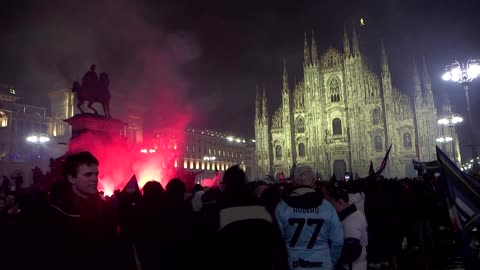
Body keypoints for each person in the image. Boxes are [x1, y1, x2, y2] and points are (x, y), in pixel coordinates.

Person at [28, 151, 122, 270]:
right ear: (71, 178)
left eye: (96, 174)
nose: (94, 179)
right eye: (88, 175)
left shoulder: (104, 210)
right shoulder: (51, 214)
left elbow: (114, 251)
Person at [275, 166, 344, 270]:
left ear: (294, 182)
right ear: (313, 182)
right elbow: (338, 242)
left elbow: (276, 242)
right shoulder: (327, 207)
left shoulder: (282, 207)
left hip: (293, 264)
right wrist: (331, 262)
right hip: (322, 264)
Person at [327, 186, 368, 270]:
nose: (330, 209)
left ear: (340, 202)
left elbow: (352, 251)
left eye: (332, 205)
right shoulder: (353, 215)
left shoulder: (351, 221)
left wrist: (334, 260)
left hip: (352, 266)